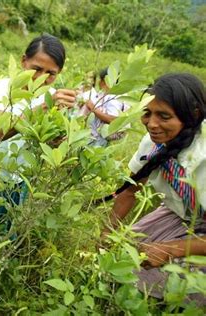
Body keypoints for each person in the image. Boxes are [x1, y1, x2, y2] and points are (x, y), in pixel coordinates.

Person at [0, 34, 76, 226]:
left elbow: (51, 144)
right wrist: (44, 106)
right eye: (37, 69)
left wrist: (60, 136)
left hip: (17, 182)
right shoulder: (5, 88)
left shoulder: (53, 96)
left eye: (51, 73)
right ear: (24, 61)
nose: (42, 78)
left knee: (0, 235)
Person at [102, 73, 205, 302]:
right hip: (180, 211)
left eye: (164, 116)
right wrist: (107, 232)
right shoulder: (153, 143)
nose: (152, 124)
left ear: (193, 115)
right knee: (125, 257)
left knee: (183, 286)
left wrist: (173, 249)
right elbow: (129, 190)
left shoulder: (203, 155)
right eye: (147, 113)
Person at [81, 67, 129, 146]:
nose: (99, 82)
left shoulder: (113, 96)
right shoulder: (119, 94)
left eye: (100, 80)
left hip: (98, 138)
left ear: (105, 81)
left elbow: (113, 120)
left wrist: (93, 108)